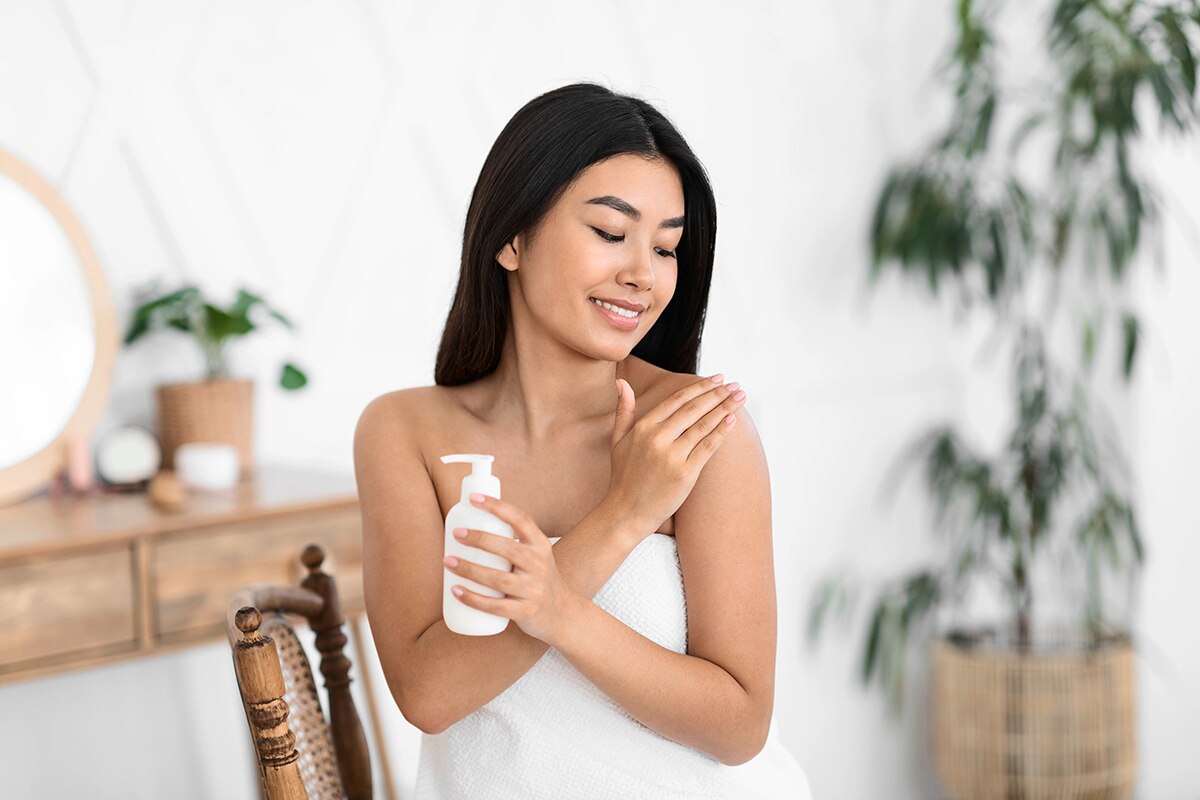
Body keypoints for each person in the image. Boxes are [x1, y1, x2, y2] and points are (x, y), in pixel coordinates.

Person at [353, 81, 813, 799]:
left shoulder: (696, 433)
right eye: (609, 232)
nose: (643, 273)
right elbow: (430, 696)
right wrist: (624, 515)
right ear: (511, 236)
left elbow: (739, 727)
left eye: (666, 247)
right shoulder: (406, 433)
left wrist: (557, 608)